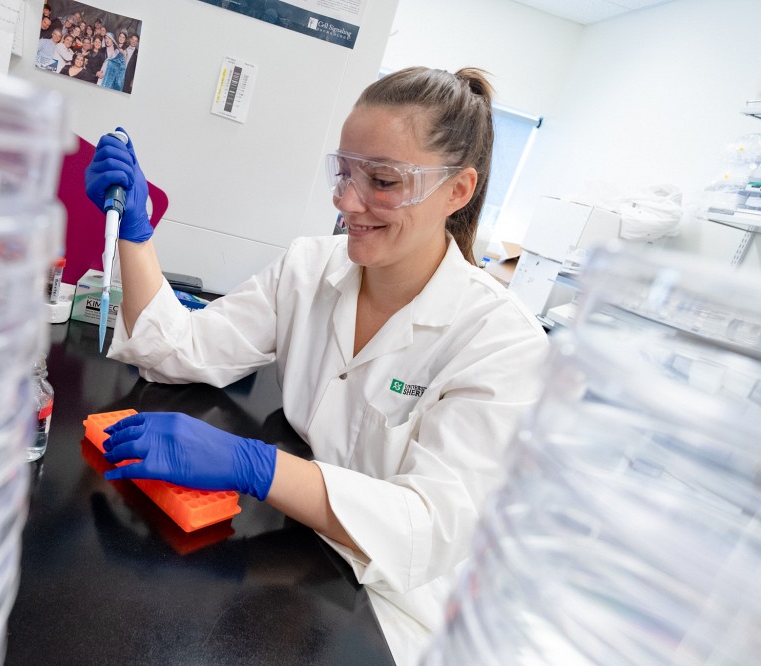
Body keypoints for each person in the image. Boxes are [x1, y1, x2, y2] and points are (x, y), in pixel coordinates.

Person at [83, 67, 549, 665]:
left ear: (458, 191)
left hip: (397, 612)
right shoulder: (311, 269)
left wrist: (253, 465)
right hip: (293, 562)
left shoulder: (502, 342)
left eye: (382, 180)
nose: (347, 202)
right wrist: (137, 231)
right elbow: (180, 349)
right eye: (345, 173)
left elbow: (426, 528)